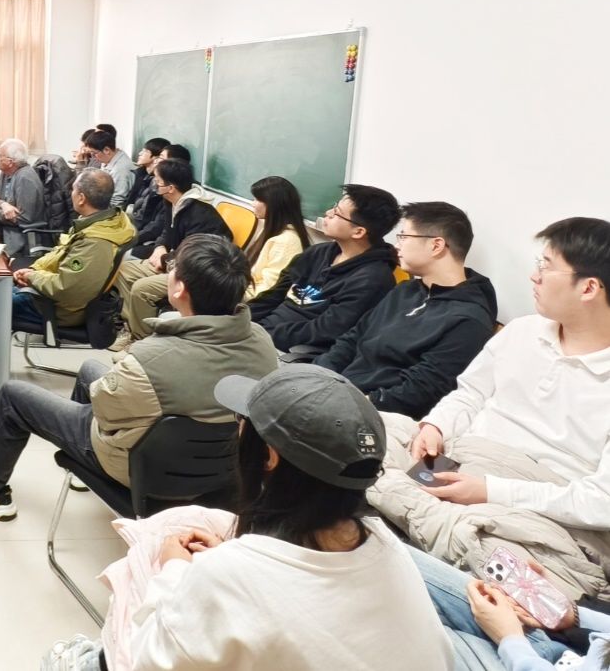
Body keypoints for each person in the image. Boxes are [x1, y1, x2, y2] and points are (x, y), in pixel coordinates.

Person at [51, 364, 453, 671]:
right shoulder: (386, 545)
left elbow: (148, 661)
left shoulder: (228, 574)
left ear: (269, 457)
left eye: (242, 424)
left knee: (143, 568)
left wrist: (173, 571)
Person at [0, 234, 277, 521]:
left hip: (142, 467)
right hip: (223, 468)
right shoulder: (262, 342)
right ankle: (79, 470)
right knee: (90, 369)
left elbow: (106, 413)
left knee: (13, 395)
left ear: (179, 289)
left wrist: (125, 373)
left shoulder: (150, 357)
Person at [368, 217, 610, 603]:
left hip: (538, 504)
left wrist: (489, 491)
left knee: (527, 580)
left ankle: (398, 517)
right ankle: (423, 523)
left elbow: (601, 503)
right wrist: (435, 426)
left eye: (546, 266)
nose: (534, 276)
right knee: (362, 429)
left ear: (589, 287)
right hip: (461, 463)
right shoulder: (523, 331)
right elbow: (469, 395)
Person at [315, 202, 497, 418]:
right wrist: (317, 376)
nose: (397, 246)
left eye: (403, 237)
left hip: (374, 414)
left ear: (436, 246)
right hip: (338, 391)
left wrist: (346, 402)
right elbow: (352, 339)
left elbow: (419, 393)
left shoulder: (469, 320)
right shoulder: (405, 290)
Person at [0, 169, 135, 360]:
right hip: (51, 294)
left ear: (81, 198)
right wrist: (33, 270)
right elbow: (58, 254)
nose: (71, 193)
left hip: (58, 308)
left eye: (73, 190)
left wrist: (32, 277)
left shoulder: (95, 241)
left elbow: (68, 288)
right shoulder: (102, 223)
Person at [248, 183, 400, 352]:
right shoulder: (317, 253)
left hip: (290, 350)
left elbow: (325, 331)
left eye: (337, 213)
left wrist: (262, 334)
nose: (328, 213)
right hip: (260, 334)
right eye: (334, 207)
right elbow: (274, 295)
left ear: (358, 232)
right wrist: (243, 320)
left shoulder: (372, 280)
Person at [409, 547, 603, 670]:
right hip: (569, 651)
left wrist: (510, 640)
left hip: (526, 657)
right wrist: (573, 616)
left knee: (403, 626)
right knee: (398, 558)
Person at [112, 158, 232, 347]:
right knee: (121, 270)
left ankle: (141, 341)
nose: (154, 184)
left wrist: (164, 259)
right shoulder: (171, 202)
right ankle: (132, 326)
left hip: (195, 273)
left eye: (158, 181)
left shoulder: (199, 213)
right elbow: (166, 232)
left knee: (141, 289)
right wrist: (160, 247)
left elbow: (193, 253)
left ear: (170, 188)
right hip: (175, 263)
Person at [243, 176, 311, 299]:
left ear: (273, 205)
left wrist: (232, 295)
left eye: (257, 199)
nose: (252, 203)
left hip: (253, 303)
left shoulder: (286, 242)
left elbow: (267, 291)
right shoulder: (271, 229)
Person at [0, 137, 47, 259]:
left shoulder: (26, 178)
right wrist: (4, 204)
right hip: (5, 227)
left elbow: (24, 219)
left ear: (10, 162)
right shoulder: (5, 173)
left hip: (20, 237)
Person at [80, 128, 133, 208]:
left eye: (94, 153)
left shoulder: (120, 170)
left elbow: (116, 203)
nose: (93, 157)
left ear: (107, 150)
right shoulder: (109, 158)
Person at [125, 136, 169, 215]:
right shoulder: (140, 173)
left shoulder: (158, 182)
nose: (139, 153)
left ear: (156, 157)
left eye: (145, 151)